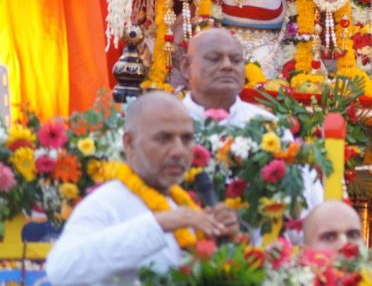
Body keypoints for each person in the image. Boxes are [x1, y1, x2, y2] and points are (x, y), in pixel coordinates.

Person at [45, 92, 239, 285]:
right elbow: (61, 270)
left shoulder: (180, 205)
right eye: (164, 138)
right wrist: (161, 223)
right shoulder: (106, 203)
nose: (179, 150)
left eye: (186, 139)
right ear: (129, 143)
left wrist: (223, 245)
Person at [180, 28, 324, 211]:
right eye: (214, 58)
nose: (227, 66)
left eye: (236, 60)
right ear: (186, 67)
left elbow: (308, 205)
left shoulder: (269, 127)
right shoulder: (167, 124)